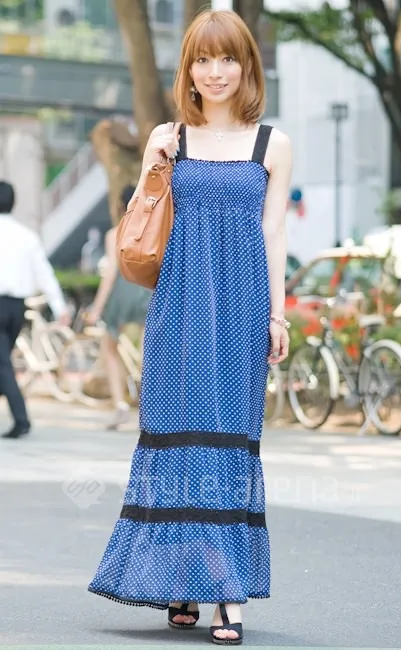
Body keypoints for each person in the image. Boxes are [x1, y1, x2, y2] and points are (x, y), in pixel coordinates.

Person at [88, 10, 292, 646]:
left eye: (227, 58)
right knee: (176, 439)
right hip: (178, 306)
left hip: (242, 308)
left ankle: (226, 591)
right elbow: (138, 220)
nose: (215, 72)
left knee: (229, 442)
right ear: (189, 69)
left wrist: (278, 314)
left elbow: (274, 233)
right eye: (203, 60)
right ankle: (181, 579)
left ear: (247, 65)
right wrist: (153, 163)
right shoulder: (169, 136)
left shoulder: (272, 144)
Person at [0, 180, 70, 439]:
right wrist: (59, 306)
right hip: (17, 309)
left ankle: (21, 420)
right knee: (2, 362)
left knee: (2, 365)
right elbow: (44, 273)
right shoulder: (27, 236)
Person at [85, 185, 152, 430]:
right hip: (148, 291)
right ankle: (151, 407)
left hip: (122, 293)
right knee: (149, 353)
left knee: (110, 347)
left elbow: (111, 274)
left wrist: (96, 308)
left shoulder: (115, 233)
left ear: (121, 205)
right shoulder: (154, 229)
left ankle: (120, 406)